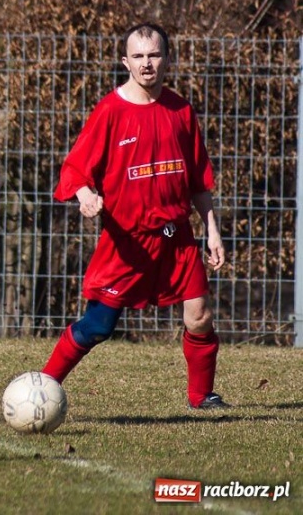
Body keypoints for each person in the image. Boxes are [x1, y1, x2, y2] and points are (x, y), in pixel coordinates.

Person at [40, 22, 229, 410]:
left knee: (199, 316)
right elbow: (75, 169)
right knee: (98, 327)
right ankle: (42, 386)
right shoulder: (110, 111)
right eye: (138, 56)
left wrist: (212, 230)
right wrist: (86, 196)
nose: (147, 64)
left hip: (176, 237)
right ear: (125, 61)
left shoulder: (180, 111)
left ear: (167, 59)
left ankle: (202, 396)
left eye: (154, 55)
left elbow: (198, 180)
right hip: (127, 242)